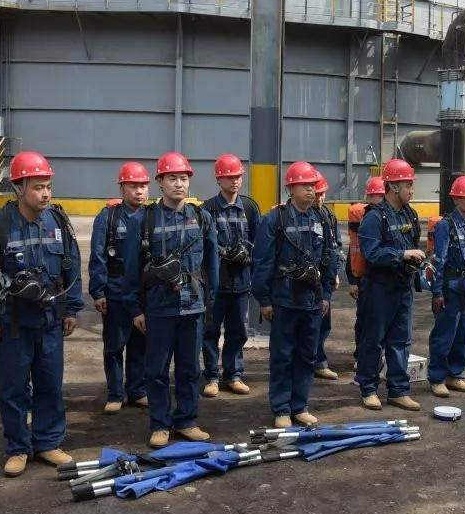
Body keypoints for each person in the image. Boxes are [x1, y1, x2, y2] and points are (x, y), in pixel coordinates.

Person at [0, 151, 83, 476]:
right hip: (13, 325)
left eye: (48, 186)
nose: (45, 194)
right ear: (19, 188)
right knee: (14, 388)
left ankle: (47, 442)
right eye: (37, 187)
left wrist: (71, 308)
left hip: (50, 322)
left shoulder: (59, 224)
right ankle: (18, 447)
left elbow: (71, 267)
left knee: (50, 384)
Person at [122, 152, 219, 447]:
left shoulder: (201, 217)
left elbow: (212, 264)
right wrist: (135, 309)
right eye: (172, 178)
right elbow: (131, 269)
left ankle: (187, 420)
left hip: (193, 303)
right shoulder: (144, 220)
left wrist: (210, 302)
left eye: (183, 178)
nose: (179, 184)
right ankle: (160, 424)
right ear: (160, 182)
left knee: (190, 368)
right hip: (159, 305)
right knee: (156, 369)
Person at [251, 161, 337, 428]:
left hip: (312, 301)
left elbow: (329, 258)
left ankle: (300, 406)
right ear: (291, 188)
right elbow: (262, 261)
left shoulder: (321, 219)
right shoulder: (274, 220)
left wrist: (325, 295)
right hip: (285, 300)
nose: (310, 190)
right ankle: (281, 409)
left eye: (312, 185)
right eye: (304, 186)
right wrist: (264, 300)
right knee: (282, 356)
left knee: (307, 355)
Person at [355, 158, 426, 411]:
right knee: (373, 341)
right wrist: (402, 255)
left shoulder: (410, 214)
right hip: (378, 289)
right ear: (394, 187)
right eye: (408, 185)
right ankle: (369, 389)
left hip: (402, 287)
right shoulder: (374, 217)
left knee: (401, 341)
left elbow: (413, 244)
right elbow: (371, 253)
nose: (412, 190)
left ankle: (398, 390)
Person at [89, 162, 150, 415]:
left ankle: (137, 390)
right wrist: (98, 291)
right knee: (114, 345)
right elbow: (98, 256)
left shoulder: (152, 217)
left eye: (143, 186)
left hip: (142, 294)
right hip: (115, 291)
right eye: (133, 186)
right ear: (122, 188)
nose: (139, 191)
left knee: (140, 344)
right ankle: (115, 393)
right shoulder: (108, 217)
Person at [201, 153, 261, 398]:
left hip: (241, 282)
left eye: (237, 176)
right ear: (219, 179)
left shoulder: (250, 208)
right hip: (216, 284)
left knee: (238, 331)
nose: (234, 181)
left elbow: (259, 243)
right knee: (211, 331)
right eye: (229, 177)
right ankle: (211, 376)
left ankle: (233, 375)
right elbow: (202, 248)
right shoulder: (207, 209)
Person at [427, 175, 465, 398]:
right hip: (450, 288)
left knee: (463, 334)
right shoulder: (445, 226)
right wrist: (437, 292)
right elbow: (438, 260)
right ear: (456, 199)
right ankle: (437, 378)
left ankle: (455, 374)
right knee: (444, 334)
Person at [346, 176, 386, 365]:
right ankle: (361, 356)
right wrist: (352, 281)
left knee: (382, 321)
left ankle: (378, 356)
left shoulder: (388, 217)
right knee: (364, 319)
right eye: (377, 196)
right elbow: (353, 252)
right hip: (364, 279)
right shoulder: (363, 217)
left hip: (383, 278)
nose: (380, 200)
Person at [312, 173, 342, 381]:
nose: (319, 198)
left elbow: (336, 248)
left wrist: (335, 272)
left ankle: (319, 363)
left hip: (324, 278)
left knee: (323, 321)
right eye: (317, 194)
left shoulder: (329, 216)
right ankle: (303, 363)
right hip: (304, 277)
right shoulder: (296, 215)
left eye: (322, 194)